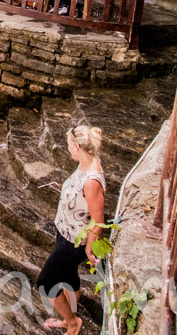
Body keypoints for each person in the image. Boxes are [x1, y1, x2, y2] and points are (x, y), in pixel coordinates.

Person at [37, 125, 106, 335]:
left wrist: (89, 248)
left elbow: (98, 219)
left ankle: (72, 322)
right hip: (66, 232)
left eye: (69, 144)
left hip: (74, 242)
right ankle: (70, 318)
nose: (67, 148)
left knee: (45, 282)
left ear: (76, 146)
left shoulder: (92, 181)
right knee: (67, 276)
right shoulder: (86, 163)